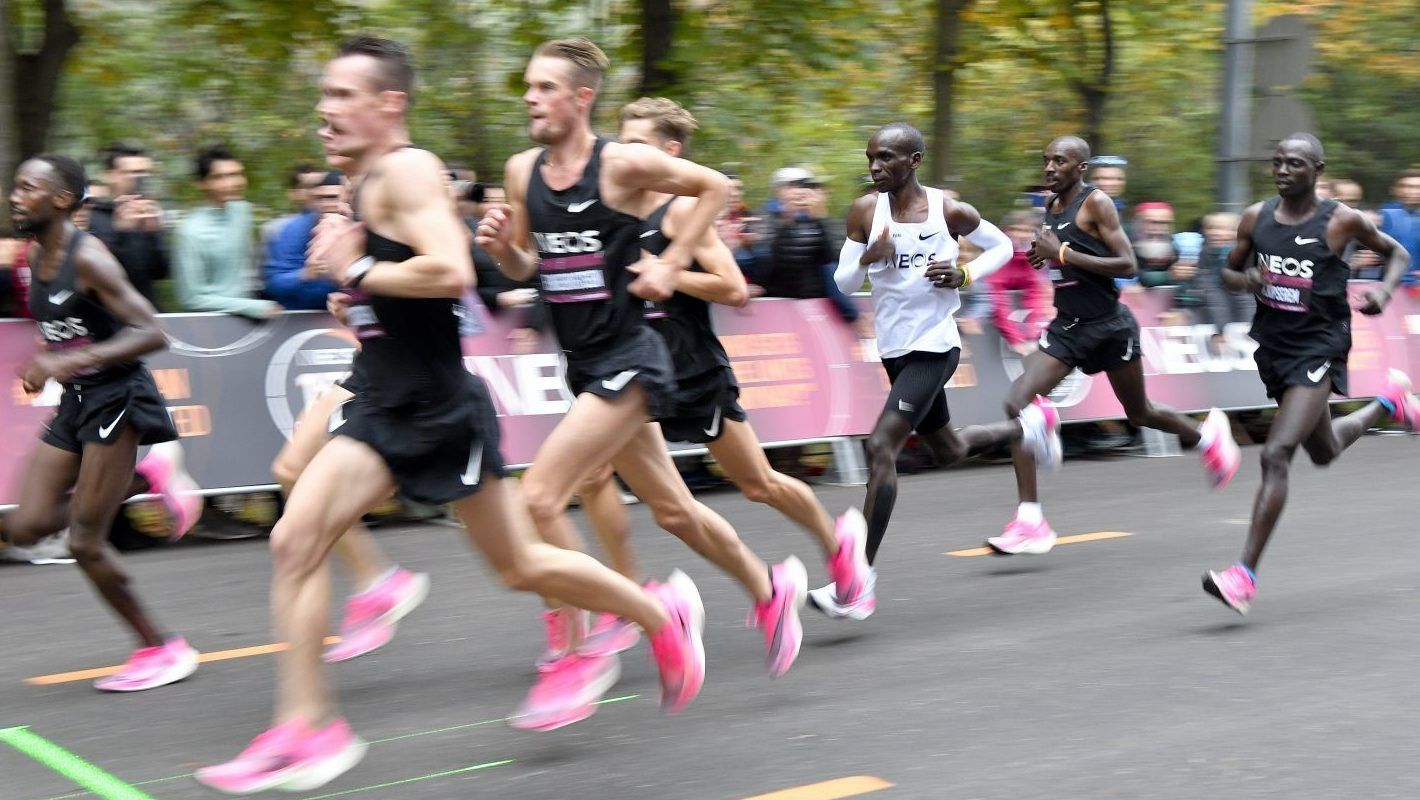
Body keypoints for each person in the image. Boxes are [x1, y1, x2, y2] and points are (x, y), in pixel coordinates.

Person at [197, 37, 706, 794]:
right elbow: (395, 280)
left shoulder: (406, 169)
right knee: (295, 539)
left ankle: (659, 616)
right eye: (325, 95)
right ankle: (310, 728)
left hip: (437, 407)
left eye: (342, 96)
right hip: (379, 395)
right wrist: (355, 290)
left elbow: (451, 271)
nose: (325, 110)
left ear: (389, 104)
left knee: (520, 566)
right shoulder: (362, 179)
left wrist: (359, 269)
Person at [476, 38, 806, 699]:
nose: (530, 97)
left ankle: (588, 642)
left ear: (580, 98)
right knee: (675, 513)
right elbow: (527, 265)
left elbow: (713, 187)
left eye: (544, 88)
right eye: (528, 87)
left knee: (538, 497)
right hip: (586, 364)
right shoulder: (522, 171)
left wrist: (670, 261)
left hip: (633, 358)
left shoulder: (621, 164)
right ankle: (770, 590)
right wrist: (500, 252)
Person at [567, 97, 869, 650]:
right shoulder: (612, 210)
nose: (624, 152)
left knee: (758, 484)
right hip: (634, 373)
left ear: (670, 151)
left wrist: (671, 272)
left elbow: (733, 289)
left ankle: (838, 546)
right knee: (595, 477)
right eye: (621, 141)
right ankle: (626, 598)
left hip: (693, 369)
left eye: (638, 143)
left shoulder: (681, 211)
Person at [808, 122, 1054, 618]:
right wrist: (868, 260)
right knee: (949, 449)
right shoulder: (863, 211)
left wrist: (965, 274)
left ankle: (857, 584)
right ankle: (1027, 427)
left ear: (914, 160)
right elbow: (843, 279)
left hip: (935, 347)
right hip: (894, 348)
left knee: (881, 447)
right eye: (871, 158)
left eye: (887, 159)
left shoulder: (947, 210)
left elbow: (1003, 248)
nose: (876, 167)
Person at [985, 136, 1241, 556]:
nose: (1050, 168)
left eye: (1060, 161)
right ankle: (1030, 520)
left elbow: (1127, 265)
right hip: (1068, 326)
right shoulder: (1049, 207)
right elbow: (1061, 259)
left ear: (1080, 167)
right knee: (1017, 403)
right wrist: (1041, 257)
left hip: (1109, 327)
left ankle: (1207, 437)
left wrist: (1062, 254)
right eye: (1046, 160)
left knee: (1139, 413)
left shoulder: (1096, 203)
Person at [2, 154, 202, 691]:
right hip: (77, 400)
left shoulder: (89, 258)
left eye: (28, 188)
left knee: (85, 542)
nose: (15, 196)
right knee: (25, 527)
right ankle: (148, 474)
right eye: (14, 187)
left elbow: (152, 332)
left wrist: (60, 362)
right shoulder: (30, 255)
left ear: (62, 199)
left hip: (118, 397)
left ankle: (163, 648)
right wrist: (56, 361)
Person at [1202, 134, 1419, 615]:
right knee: (1322, 450)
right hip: (1276, 347)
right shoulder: (1255, 218)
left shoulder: (1341, 219)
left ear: (1317, 169)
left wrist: (1384, 291)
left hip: (1320, 345)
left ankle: (1243, 577)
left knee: (1277, 453)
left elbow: (1397, 255)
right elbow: (1228, 274)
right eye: (1276, 162)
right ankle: (1390, 402)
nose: (1282, 170)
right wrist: (1248, 279)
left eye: (1294, 163)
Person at [269, 156, 430, 665]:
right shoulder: (346, 231)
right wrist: (349, 301)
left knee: (518, 551)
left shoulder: (401, 216)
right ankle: (376, 581)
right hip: (367, 369)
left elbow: (449, 288)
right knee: (290, 469)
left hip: (425, 381)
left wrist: (360, 275)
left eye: (339, 199)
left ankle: (605, 607)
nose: (331, 209)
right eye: (326, 201)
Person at [173, 146, 281, 319]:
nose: (233, 183)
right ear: (201, 183)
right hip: (214, 324)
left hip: (252, 319)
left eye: (236, 174)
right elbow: (190, 299)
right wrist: (253, 307)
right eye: (219, 177)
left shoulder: (241, 210)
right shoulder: (190, 232)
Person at [87, 144, 169, 307]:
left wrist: (153, 233)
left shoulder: (148, 213)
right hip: (109, 318)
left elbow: (161, 272)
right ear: (109, 176)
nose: (140, 178)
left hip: (148, 313)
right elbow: (100, 275)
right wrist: (122, 232)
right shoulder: (92, 216)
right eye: (131, 172)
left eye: (144, 172)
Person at [264, 170, 345, 310]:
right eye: (320, 198)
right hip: (301, 315)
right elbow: (274, 285)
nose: (326, 204)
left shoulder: (361, 227)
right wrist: (305, 274)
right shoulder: (292, 230)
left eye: (333, 197)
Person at [988, 209, 1054, 355]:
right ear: (1007, 231)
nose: (1022, 235)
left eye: (1027, 231)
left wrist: (1034, 334)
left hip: (1023, 274)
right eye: (1017, 230)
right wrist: (1016, 340)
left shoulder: (1031, 254)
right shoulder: (997, 253)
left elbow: (1036, 297)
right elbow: (998, 304)